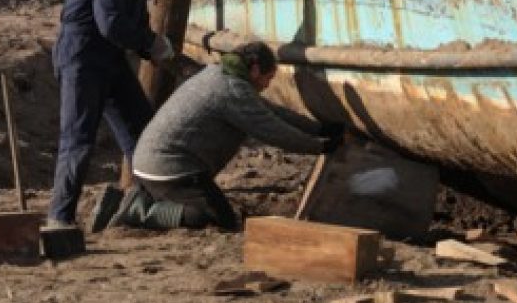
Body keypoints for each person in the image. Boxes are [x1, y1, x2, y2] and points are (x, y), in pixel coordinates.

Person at [104, 41, 343, 231]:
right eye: (268, 78)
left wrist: (319, 130)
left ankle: (143, 196)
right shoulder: (232, 91)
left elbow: (270, 111)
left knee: (215, 212)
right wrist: (319, 147)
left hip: (152, 163)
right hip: (171, 169)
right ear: (255, 69)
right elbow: (273, 130)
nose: (267, 85)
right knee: (215, 218)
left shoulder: (219, 74)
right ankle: (139, 211)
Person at [45, 0, 180, 230]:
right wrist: (150, 44)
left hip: (109, 60)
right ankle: (59, 218)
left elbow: (134, 20)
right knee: (78, 139)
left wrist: (151, 50)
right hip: (81, 60)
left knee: (143, 131)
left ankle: (140, 204)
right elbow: (112, 24)